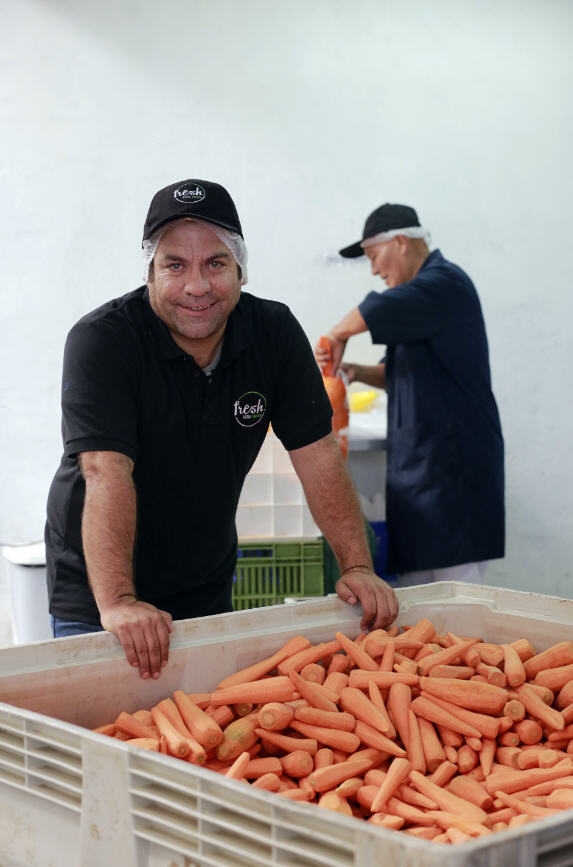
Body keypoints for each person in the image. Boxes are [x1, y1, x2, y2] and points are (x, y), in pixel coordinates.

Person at [45, 178, 398, 678]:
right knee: (104, 736)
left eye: (215, 263)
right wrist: (121, 602)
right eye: (175, 265)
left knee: (202, 734)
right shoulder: (102, 341)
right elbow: (105, 471)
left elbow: (318, 452)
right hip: (99, 596)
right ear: (151, 271)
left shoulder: (272, 333)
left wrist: (358, 567)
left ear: (241, 270)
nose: (196, 286)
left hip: (203, 579)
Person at [316, 202, 504, 587]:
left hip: (455, 477)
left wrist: (336, 335)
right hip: (425, 478)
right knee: (419, 606)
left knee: (458, 605)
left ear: (400, 242)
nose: (374, 270)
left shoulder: (443, 284)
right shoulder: (421, 304)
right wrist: (354, 372)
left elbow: (371, 311)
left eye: (373, 256)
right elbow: (396, 373)